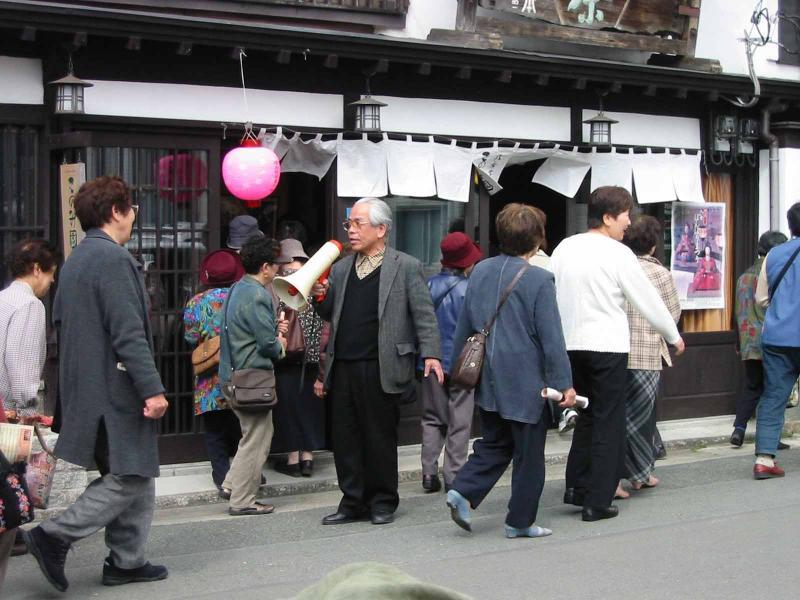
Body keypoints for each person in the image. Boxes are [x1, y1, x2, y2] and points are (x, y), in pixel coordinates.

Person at [23, 176, 169, 592]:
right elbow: (128, 333)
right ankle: (55, 535)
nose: (133, 217)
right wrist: (152, 388)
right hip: (115, 387)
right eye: (132, 209)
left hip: (85, 386)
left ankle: (127, 560)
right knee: (133, 474)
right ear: (117, 212)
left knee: (130, 468)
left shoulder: (77, 260)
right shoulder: (113, 259)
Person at [551, 186, 684, 522]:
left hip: (569, 344)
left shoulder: (565, 247)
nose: (629, 221)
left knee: (586, 417)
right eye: (625, 214)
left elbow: (548, 289)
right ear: (608, 217)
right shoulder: (618, 254)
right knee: (609, 421)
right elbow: (646, 299)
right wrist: (672, 335)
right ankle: (597, 500)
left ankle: (577, 487)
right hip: (606, 346)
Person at [445, 203, 575, 539]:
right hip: (526, 379)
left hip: (487, 373)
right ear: (537, 240)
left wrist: (456, 369)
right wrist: (565, 385)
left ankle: (463, 490)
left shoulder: (481, 271)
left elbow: (466, 327)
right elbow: (552, 338)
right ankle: (519, 521)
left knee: (495, 441)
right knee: (529, 454)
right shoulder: (540, 279)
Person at [314, 197, 442, 526]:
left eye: (358, 224)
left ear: (381, 229)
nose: (351, 231)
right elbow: (330, 314)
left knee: (379, 437)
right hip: (343, 365)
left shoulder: (405, 265)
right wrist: (319, 298)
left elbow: (424, 314)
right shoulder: (342, 268)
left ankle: (383, 500)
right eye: (349, 224)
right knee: (345, 438)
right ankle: (352, 501)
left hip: (382, 365)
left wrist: (431, 353)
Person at [0, 239, 59, 588]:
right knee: (7, 504)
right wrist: (29, 408)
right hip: (8, 418)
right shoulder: (29, 306)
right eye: (50, 274)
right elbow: (21, 372)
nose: (50, 282)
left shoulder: (4, 299)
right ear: (37, 269)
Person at [218, 237, 290, 514]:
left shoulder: (237, 287)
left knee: (250, 435)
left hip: (231, 375)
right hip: (250, 378)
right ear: (264, 267)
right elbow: (267, 344)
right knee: (258, 438)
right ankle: (243, 500)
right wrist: (280, 339)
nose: (278, 270)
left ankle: (230, 484)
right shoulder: (258, 294)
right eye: (275, 265)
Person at [620, 216, 681, 493]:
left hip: (617, 351)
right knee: (643, 418)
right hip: (646, 354)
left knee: (617, 415)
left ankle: (619, 471)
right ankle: (641, 474)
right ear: (654, 246)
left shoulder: (618, 267)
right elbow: (672, 313)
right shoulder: (660, 274)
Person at [419, 232, 482, 494]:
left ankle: (428, 474)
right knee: (460, 420)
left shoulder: (427, 285)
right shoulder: (472, 290)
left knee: (432, 418)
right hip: (463, 364)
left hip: (430, 362)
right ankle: (453, 476)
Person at [183, 249, 245, 493]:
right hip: (242, 370)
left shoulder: (196, 302)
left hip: (210, 374)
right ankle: (247, 474)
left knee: (215, 429)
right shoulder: (244, 296)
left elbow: (190, 337)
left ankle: (222, 477)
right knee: (245, 427)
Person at [272, 238, 329, 478]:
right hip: (312, 359)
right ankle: (308, 458)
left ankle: (292, 458)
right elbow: (323, 328)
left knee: (287, 407)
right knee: (309, 406)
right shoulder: (314, 285)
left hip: (286, 358)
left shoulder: (279, 286)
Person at [752, 202, 800, 479]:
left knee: (773, 397)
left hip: (778, 336)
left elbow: (761, 298)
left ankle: (764, 459)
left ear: (790, 226)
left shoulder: (774, 254)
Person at [730, 231, 788, 448]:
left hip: (747, 339)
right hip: (770, 338)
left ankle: (739, 429)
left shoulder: (743, 276)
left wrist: (738, 340)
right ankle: (771, 438)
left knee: (752, 385)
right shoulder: (773, 273)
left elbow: (738, 311)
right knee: (774, 389)